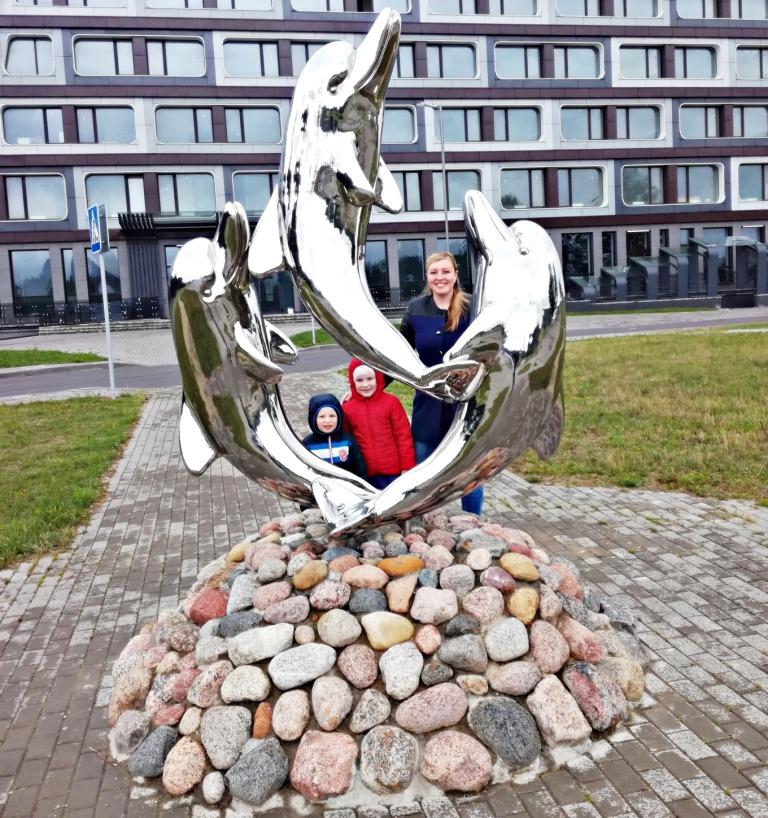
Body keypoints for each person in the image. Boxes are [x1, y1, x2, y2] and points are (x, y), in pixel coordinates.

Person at [399, 250, 484, 516]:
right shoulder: (415, 308)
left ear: (456, 274)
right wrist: (370, 385)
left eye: (446, 271)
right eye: (434, 272)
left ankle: (473, 522)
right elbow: (399, 353)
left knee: (468, 470)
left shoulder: (474, 307)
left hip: (466, 403)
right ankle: (424, 519)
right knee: (423, 465)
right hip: (428, 403)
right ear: (427, 276)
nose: (440, 277)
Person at [343, 359, 416, 490]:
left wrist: (407, 466)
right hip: (365, 474)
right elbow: (346, 440)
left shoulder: (392, 403)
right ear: (352, 382)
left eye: (370, 378)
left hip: (393, 472)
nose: (365, 384)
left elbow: (403, 436)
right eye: (359, 380)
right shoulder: (347, 409)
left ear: (378, 377)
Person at [302, 393, 367, 479]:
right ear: (313, 418)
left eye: (332, 416)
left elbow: (360, 468)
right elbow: (304, 470)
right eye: (322, 416)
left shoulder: (348, 441)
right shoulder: (307, 444)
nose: (327, 420)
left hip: (347, 485)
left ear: (339, 417)